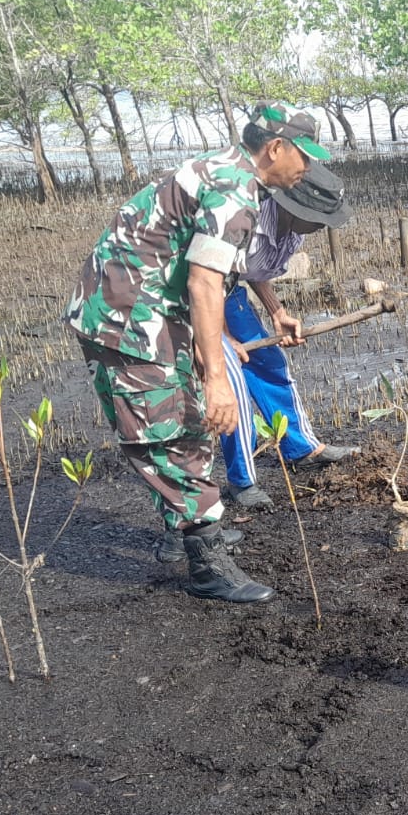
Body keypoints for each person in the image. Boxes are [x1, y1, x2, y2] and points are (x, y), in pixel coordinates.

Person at [66, 102, 327, 604]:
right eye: (305, 157)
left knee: (174, 422)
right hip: (128, 320)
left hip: (141, 310)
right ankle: (205, 560)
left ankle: (185, 529)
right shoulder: (234, 190)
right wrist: (216, 377)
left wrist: (266, 314)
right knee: (175, 428)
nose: (308, 169)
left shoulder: (225, 172)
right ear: (276, 148)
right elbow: (206, 284)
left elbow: (217, 274)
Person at [218, 166, 359, 518]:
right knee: (230, 378)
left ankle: (301, 449)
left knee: (268, 361)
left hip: (226, 288)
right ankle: (241, 481)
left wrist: (277, 312)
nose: (323, 226)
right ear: (295, 209)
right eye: (319, 218)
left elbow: (248, 271)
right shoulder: (241, 217)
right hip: (187, 293)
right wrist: (222, 339)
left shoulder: (293, 232)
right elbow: (206, 281)